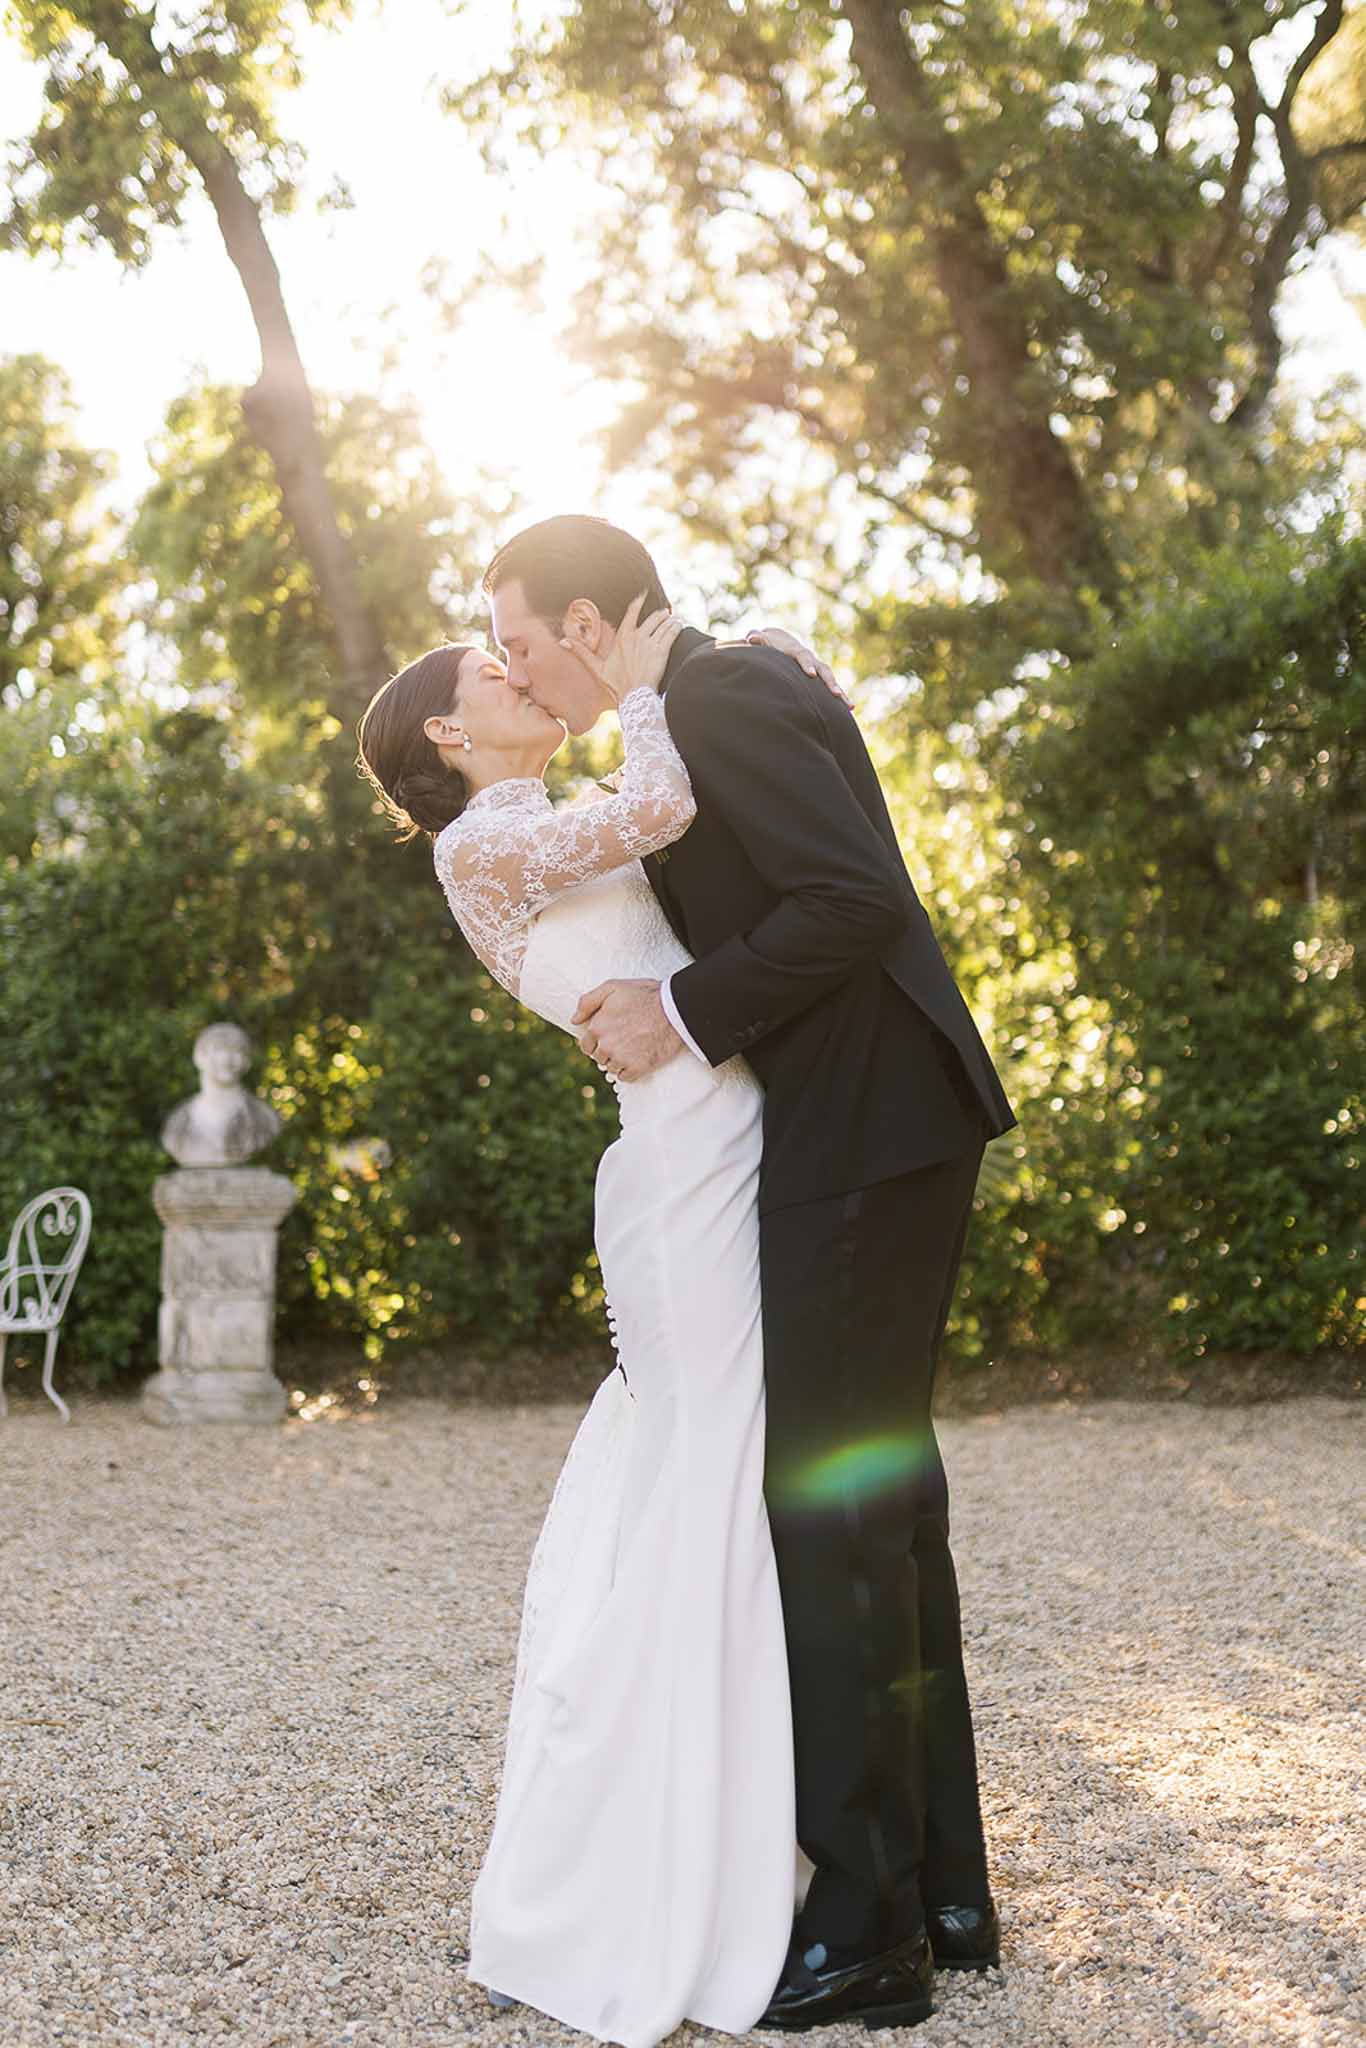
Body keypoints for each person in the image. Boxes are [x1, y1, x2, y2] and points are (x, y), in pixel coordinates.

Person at [481, 515, 1019, 2033]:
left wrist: (684, 1010)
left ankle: (865, 1934)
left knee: (830, 1507)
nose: (519, 667)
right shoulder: (705, 698)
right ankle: (938, 1889)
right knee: (884, 1503)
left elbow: (855, 899)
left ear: (588, 623)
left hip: (863, 1126)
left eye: (520, 640)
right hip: (876, 1121)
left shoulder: (717, 699)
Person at [356, 601, 845, 2048]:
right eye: (492, 670)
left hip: (726, 1134)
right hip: (681, 1164)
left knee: (732, 1471)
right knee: (710, 1469)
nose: (521, 671)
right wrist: (650, 674)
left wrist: (741, 644)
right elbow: (667, 799)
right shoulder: (479, 844)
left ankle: (741, 1825)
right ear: (450, 733)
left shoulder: (544, 819)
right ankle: (634, 1869)